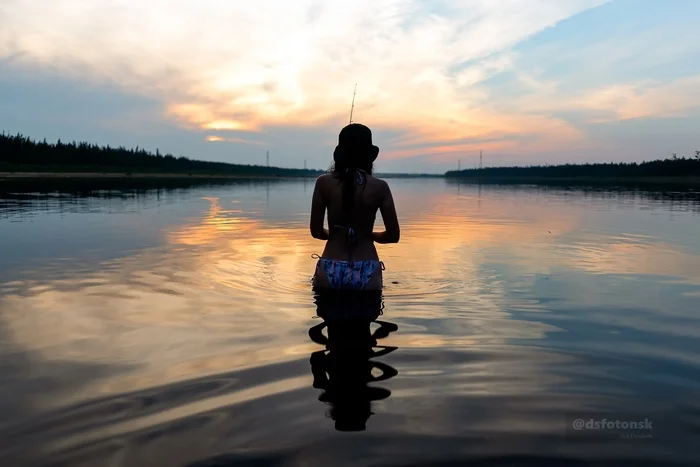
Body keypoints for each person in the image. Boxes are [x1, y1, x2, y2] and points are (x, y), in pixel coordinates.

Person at [310, 123, 400, 291]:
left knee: (329, 316)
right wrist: (368, 235)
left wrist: (337, 234)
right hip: (367, 269)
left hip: (331, 266)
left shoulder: (323, 183)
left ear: (339, 153)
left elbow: (316, 232)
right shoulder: (380, 187)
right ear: (369, 156)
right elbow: (393, 235)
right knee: (365, 316)